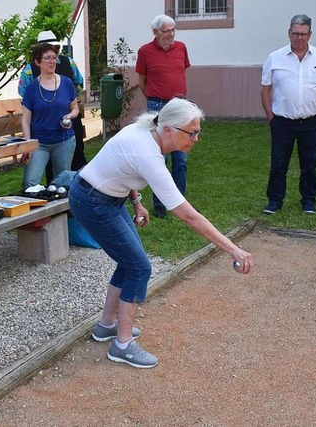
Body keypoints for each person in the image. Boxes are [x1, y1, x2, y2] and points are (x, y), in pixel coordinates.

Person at [68, 98, 254, 369]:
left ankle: (106, 326)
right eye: (192, 132)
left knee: (130, 261)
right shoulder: (148, 153)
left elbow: (120, 165)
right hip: (92, 201)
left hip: (105, 195)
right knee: (139, 267)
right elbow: (189, 215)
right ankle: (121, 346)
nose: (196, 138)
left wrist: (136, 201)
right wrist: (234, 249)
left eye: (197, 131)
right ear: (168, 129)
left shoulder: (149, 133)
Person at [261, 14, 316, 215]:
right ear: (289, 33)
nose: (299, 38)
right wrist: (271, 117)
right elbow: (265, 89)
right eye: (295, 33)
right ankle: (275, 200)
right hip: (282, 122)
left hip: (311, 121)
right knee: (278, 163)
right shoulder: (275, 58)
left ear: (310, 34)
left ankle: (309, 200)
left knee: (309, 163)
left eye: (303, 34)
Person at [136, 15, 191, 218]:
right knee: (160, 158)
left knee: (181, 158)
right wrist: (153, 101)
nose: (171, 34)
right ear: (155, 32)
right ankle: (160, 206)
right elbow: (142, 81)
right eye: (167, 30)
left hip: (180, 107)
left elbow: (181, 74)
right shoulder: (145, 51)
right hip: (157, 106)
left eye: (173, 30)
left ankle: (180, 204)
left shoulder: (181, 48)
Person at [19, 30, 87, 177]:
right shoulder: (30, 71)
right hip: (42, 130)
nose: (51, 59)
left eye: (53, 52)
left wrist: (67, 106)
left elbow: (77, 85)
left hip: (67, 125)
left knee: (75, 163)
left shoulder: (68, 63)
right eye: (46, 55)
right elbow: (25, 96)